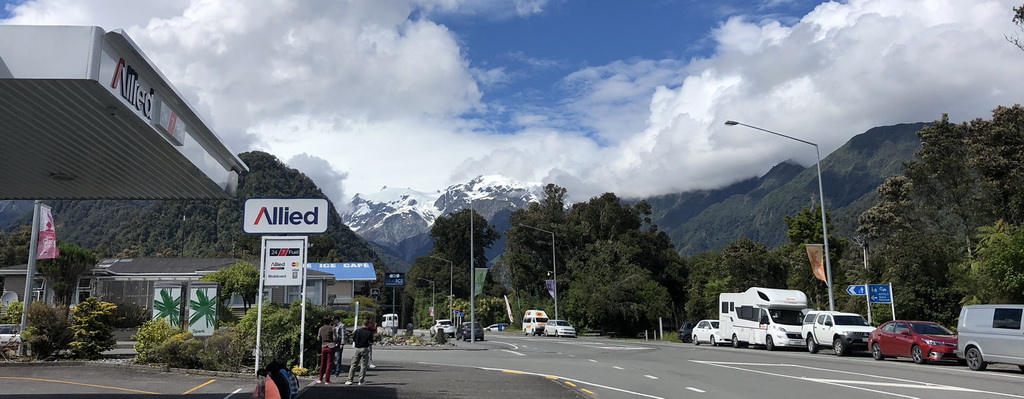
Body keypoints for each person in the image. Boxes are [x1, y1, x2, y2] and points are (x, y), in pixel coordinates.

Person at [345, 320, 374, 385]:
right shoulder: (369, 333)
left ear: (362, 324)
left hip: (357, 348)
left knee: (353, 364)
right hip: (365, 348)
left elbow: (353, 339)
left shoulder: (357, 331)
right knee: (363, 365)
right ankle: (361, 380)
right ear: (368, 325)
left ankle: (349, 380)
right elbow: (370, 342)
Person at [316, 316, 336, 384]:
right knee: (329, 363)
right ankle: (327, 380)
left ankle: (320, 379)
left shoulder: (321, 328)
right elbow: (334, 338)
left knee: (322, 363)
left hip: (323, 346)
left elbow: (318, 338)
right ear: (330, 321)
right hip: (331, 346)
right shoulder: (332, 328)